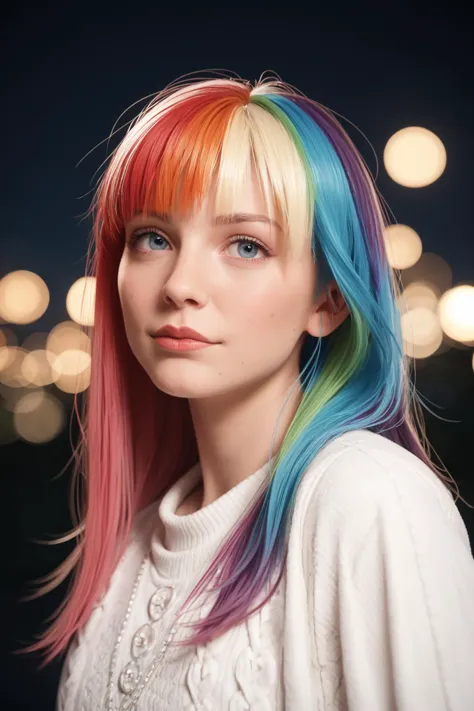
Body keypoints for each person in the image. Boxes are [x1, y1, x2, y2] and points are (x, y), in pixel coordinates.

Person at [16, 72, 474, 710]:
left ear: (330, 299)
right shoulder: (132, 546)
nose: (180, 284)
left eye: (245, 245)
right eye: (154, 238)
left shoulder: (369, 502)